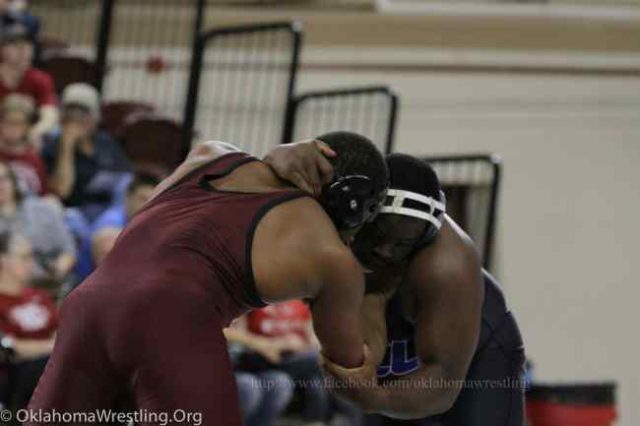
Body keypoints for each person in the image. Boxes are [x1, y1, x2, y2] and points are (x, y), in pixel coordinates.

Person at [27, 131, 389, 425]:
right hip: (169, 319)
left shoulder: (210, 154)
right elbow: (350, 377)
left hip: (87, 307)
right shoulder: (334, 259)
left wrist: (275, 155)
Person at [265, 143, 526, 425]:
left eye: (402, 244)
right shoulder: (335, 214)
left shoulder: (446, 267)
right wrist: (283, 154)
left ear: (424, 239)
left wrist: (378, 398)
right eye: (380, 233)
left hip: (470, 348)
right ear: (362, 212)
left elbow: (443, 385)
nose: (386, 252)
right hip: (392, 315)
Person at [42, 83, 131, 221]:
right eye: (70, 113)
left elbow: (126, 178)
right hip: (74, 214)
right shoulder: (52, 147)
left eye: (83, 113)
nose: (76, 119)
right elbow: (62, 191)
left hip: (111, 211)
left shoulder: (105, 141)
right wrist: (67, 146)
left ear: (95, 117)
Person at [0, 232, 57, 411]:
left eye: (32, 256)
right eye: (25, 257)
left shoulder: (41, 297)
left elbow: (62, 332)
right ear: (3, 260)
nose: (31, 263)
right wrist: (54, 346)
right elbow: (8, 348)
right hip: (14, 379)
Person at [0, 159, 75, 283]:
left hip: (49, 281)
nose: (0, 185)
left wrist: (57, 271)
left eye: (3, 179)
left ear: (13, 182)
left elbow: (68, 249)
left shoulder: (43, 210)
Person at [0, 24, 56, 140]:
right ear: (1, 49)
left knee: (54, 133)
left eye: (28, 44)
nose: (23, 50)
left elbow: (49, 114)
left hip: (27, 139)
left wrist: (32, 133)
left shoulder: (40, 79)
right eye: (15, 45)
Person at [0, 94, 47, 195]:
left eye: (17, 123)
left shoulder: (34, 159)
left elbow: (42, 193)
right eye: (7, 121)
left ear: (28, 127)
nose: (11, 128)